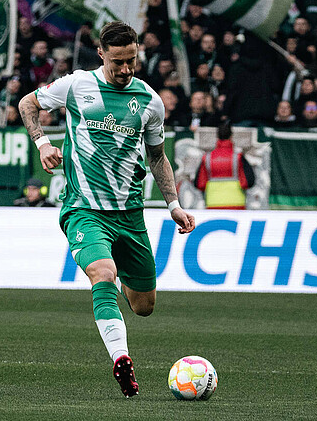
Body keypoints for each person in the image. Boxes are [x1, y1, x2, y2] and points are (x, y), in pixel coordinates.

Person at [17, 20, 196, 398]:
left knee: (144, 306)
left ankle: (123, 324)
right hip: (84, 209)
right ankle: (121, 360)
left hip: (130, 216)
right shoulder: (77, 85)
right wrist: (42, 143)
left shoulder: (149, 101)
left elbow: (158, 157)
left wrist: (174, 204)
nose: (126, 69)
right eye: (118, 62)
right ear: (101, 54)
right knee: (103, 274)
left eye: (132, 60)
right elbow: (28, 103)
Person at [194, 121, 255, 209]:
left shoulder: (207, 158)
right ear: (231, 136)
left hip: (213, 203)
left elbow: (199, 183)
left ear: (217, 136)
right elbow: (249, 181)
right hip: (236, 204)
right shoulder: (237, 157)